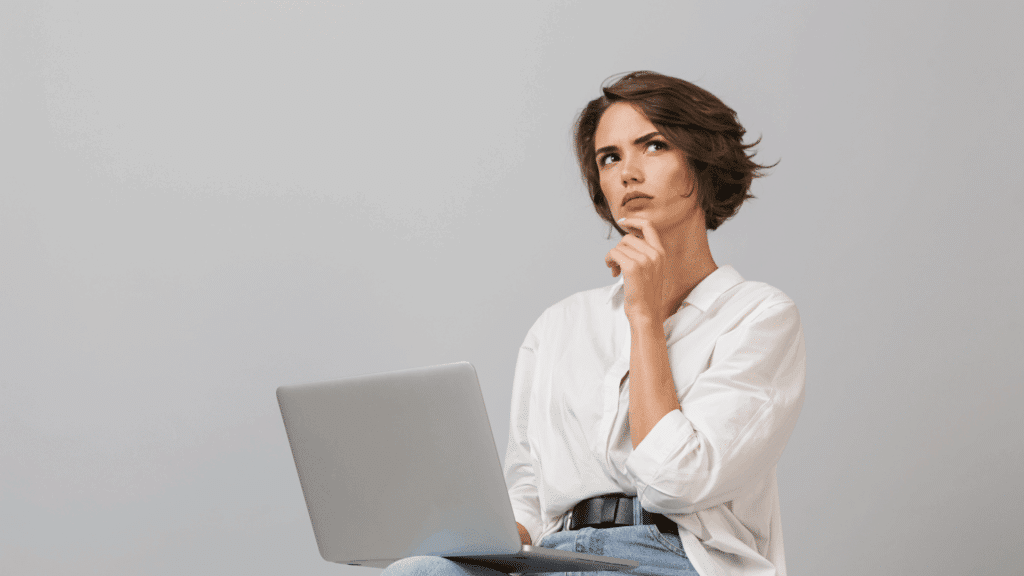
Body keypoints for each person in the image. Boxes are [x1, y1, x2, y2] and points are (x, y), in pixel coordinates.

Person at [386, 71, 806, 576]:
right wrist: (479, 539)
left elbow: (675, 481)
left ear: (702, 162)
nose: (628, 172)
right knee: (420, 571)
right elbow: (528, 492)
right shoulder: (559, 325)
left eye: (652, 146)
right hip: (556, 556)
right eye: (610, 157)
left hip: (677, 558)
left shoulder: (757, 317)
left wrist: (644, 315)